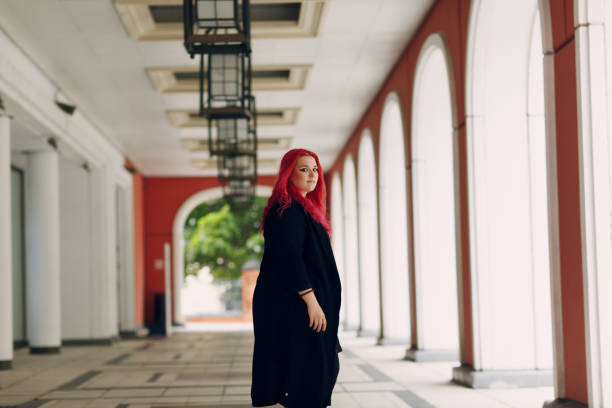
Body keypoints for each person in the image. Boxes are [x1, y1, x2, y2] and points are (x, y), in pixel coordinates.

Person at [251, 148, 343, 408]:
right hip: (298, 304)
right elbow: (291, 259)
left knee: (318, 368)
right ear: (288, 175)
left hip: (308, 302)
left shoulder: (305, 209)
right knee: (309, 371)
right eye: (304, 169)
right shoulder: (287, 209)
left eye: (315, 169)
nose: (312, 174)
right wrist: (310, 301)